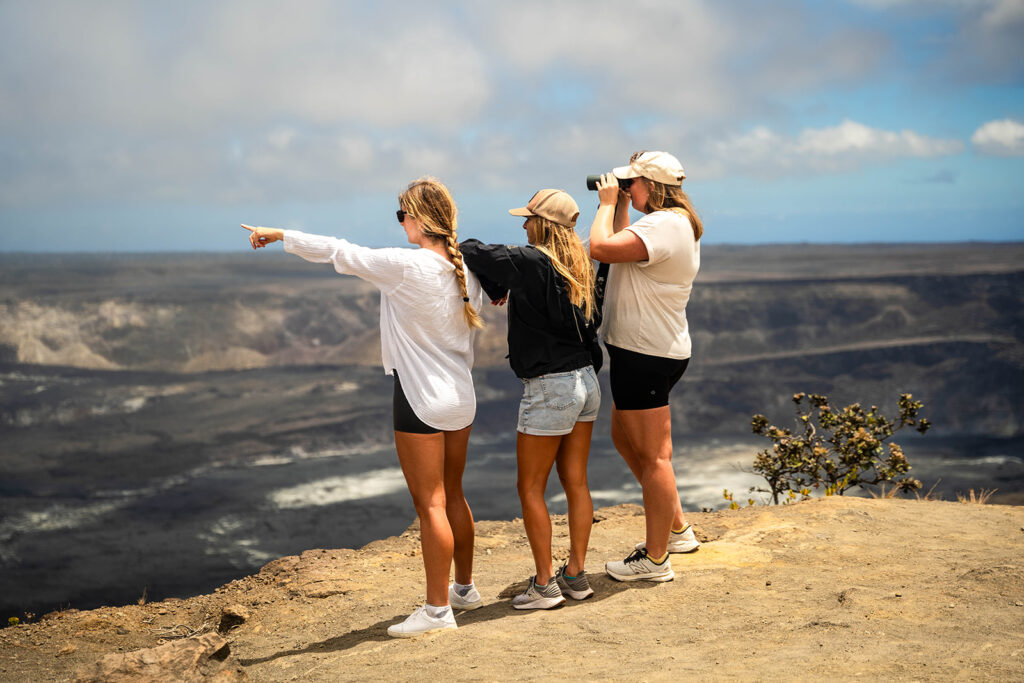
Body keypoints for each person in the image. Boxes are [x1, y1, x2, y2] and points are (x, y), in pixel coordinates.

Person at [242, 177, 486, 637]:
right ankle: (464, 590)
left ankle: (436, 612)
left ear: (419, 218)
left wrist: (280, 235)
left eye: (402, 215)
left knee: (430, 503)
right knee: (453, 493)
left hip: (420, 399)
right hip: (461, 397)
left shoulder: (407, 266)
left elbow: (340, 251)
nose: (401, 225)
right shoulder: (465, 271)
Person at [460, 189, 600, 609]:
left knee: (531, 487)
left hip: (550, 386)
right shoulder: (577, 264)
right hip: (586, 381)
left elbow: (469, 248)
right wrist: (504, 282)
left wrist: (494, 279)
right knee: (575, 481)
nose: (523, 226)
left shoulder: (532, 260)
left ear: (543, 224)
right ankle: (575, 575)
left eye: (528, 218)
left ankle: (544, 585)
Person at [588, 151, 703, 583]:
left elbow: (601, 247)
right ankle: (675, 530)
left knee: (655, 457)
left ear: (651, 186)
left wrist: (604, 204)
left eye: (631, 184)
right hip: (649, 350)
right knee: (624, 437)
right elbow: (620, 246)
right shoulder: (670, 223)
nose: (626, 189)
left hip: (645, 354)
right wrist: (619, 204)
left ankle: (656, 560)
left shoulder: (666, 224)